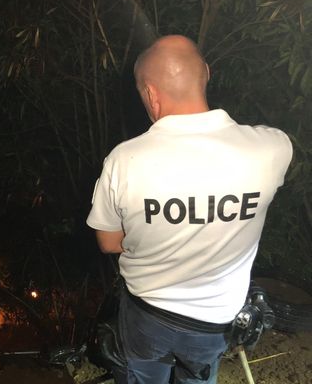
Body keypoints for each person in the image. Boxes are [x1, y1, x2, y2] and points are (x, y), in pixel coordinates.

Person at [86, 35, 292, 383]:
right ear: (207, 74)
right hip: (215, 322)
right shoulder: (273, 147)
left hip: (147, 315)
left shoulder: (124, 160)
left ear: (151, 93)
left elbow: (108, 241)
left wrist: (156, 238)